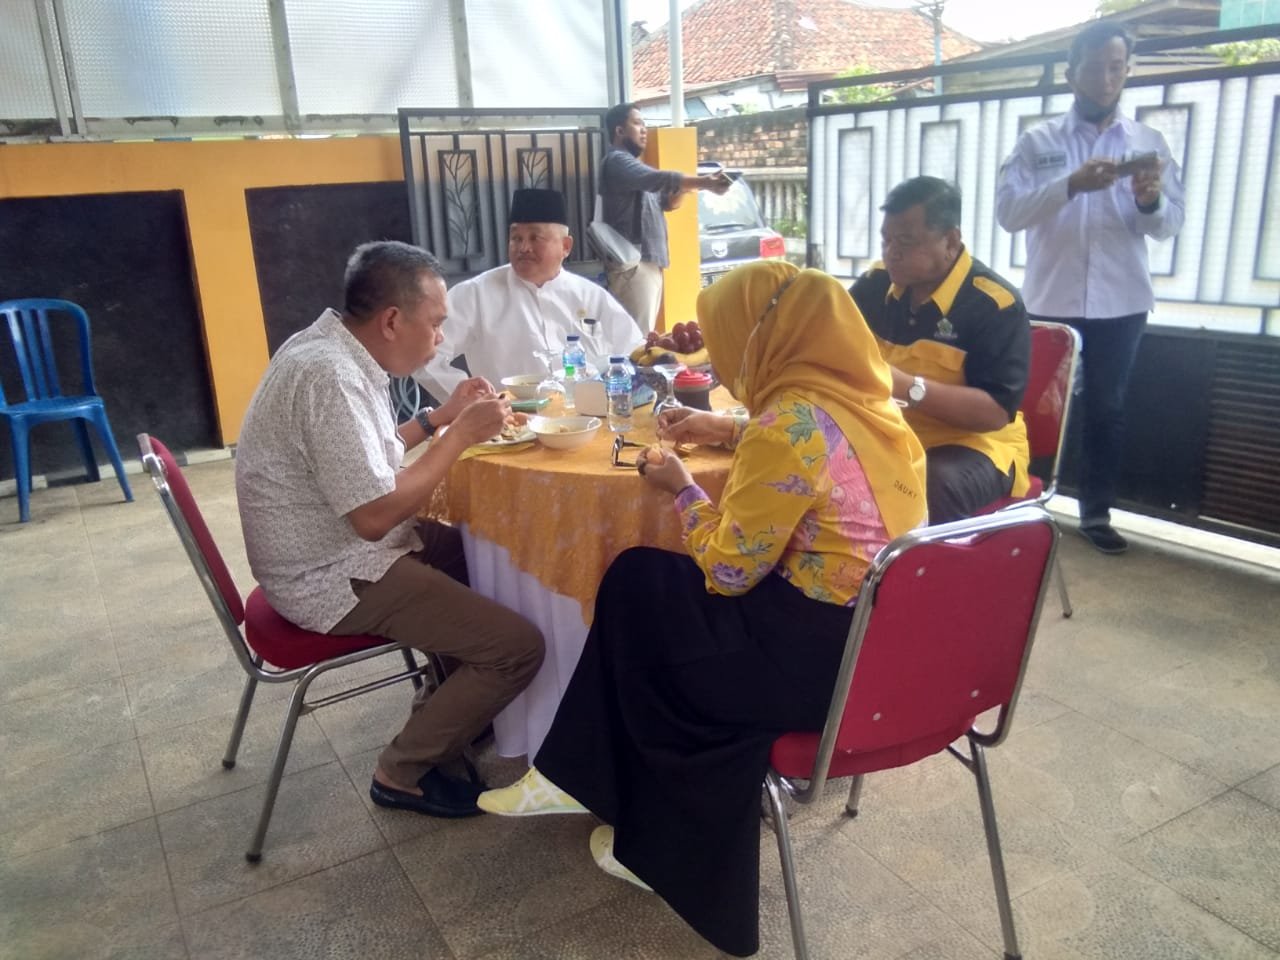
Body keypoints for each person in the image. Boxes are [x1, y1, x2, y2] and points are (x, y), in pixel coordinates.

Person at [475, 260, 927, 956]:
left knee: (638, 595)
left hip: (811, 668)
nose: (723, 352)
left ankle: (596, 793)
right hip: (878, 652)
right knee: (646, 592)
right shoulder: (871, 408)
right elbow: (813, 448)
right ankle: (582, 779)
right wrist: (726, 428)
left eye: (730, 334)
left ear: (765, 335)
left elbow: (728, 570)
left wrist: (682, 488)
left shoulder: (788, 425)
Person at [235, 241, 544, 819]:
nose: (440, 340)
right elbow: (375, 516)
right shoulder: (329, 375)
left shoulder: (331, 347)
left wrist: (439, 417)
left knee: (491, 555)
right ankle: (401, 771)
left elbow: (364, 458)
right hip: (332, 575)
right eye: (436, 323)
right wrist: (459, 437)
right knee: (517, 648)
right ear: (393, 320)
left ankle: (452, 707)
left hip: (342, 550)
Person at [996, 21, 1185, 554]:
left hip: (1122, 302)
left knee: (1107, 408)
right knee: (1034, 408)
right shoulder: (1038, 143)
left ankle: (1096, 514)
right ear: (1071, 73)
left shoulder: (1148, 144)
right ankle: (1021, 503)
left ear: (1126, 71)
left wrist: (1149, 200)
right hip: (1051, 300)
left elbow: (1169, 224)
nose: (1106, 79)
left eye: (1116, 67)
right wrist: (1071, 184)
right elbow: (1009, 213)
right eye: (1095, 67)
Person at [850, 175, 1031, 524]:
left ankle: (934, 561)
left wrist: (906, 386)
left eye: (906, 241)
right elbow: (826, 334)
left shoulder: (994, 304)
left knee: (932, 480)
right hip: (891, 433)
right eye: (886, 240)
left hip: (974, 445)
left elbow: (994, 413)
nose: (891, 252)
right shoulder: (876, 283)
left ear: (950, 240)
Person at [412, 188, 641, 401]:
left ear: (566, 246)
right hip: (507, 421)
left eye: (535, 238)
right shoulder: (475, 294)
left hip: (584, 419)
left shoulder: (591, 296)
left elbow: (634, 352)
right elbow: (423, 353)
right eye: (516, 238)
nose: (523, 248)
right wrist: (473, 401)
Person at [599, 102, 732, 332]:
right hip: (633, 266)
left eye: (645, 124)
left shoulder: (635, 168)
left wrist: (686, 188)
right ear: (619, 131)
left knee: (643, 335)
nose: (644, 130)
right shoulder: (617, 161)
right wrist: (705, 182)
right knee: (636, 338)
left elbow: (668, 203)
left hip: (646, 264)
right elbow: (658, 179)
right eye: (637, 123)